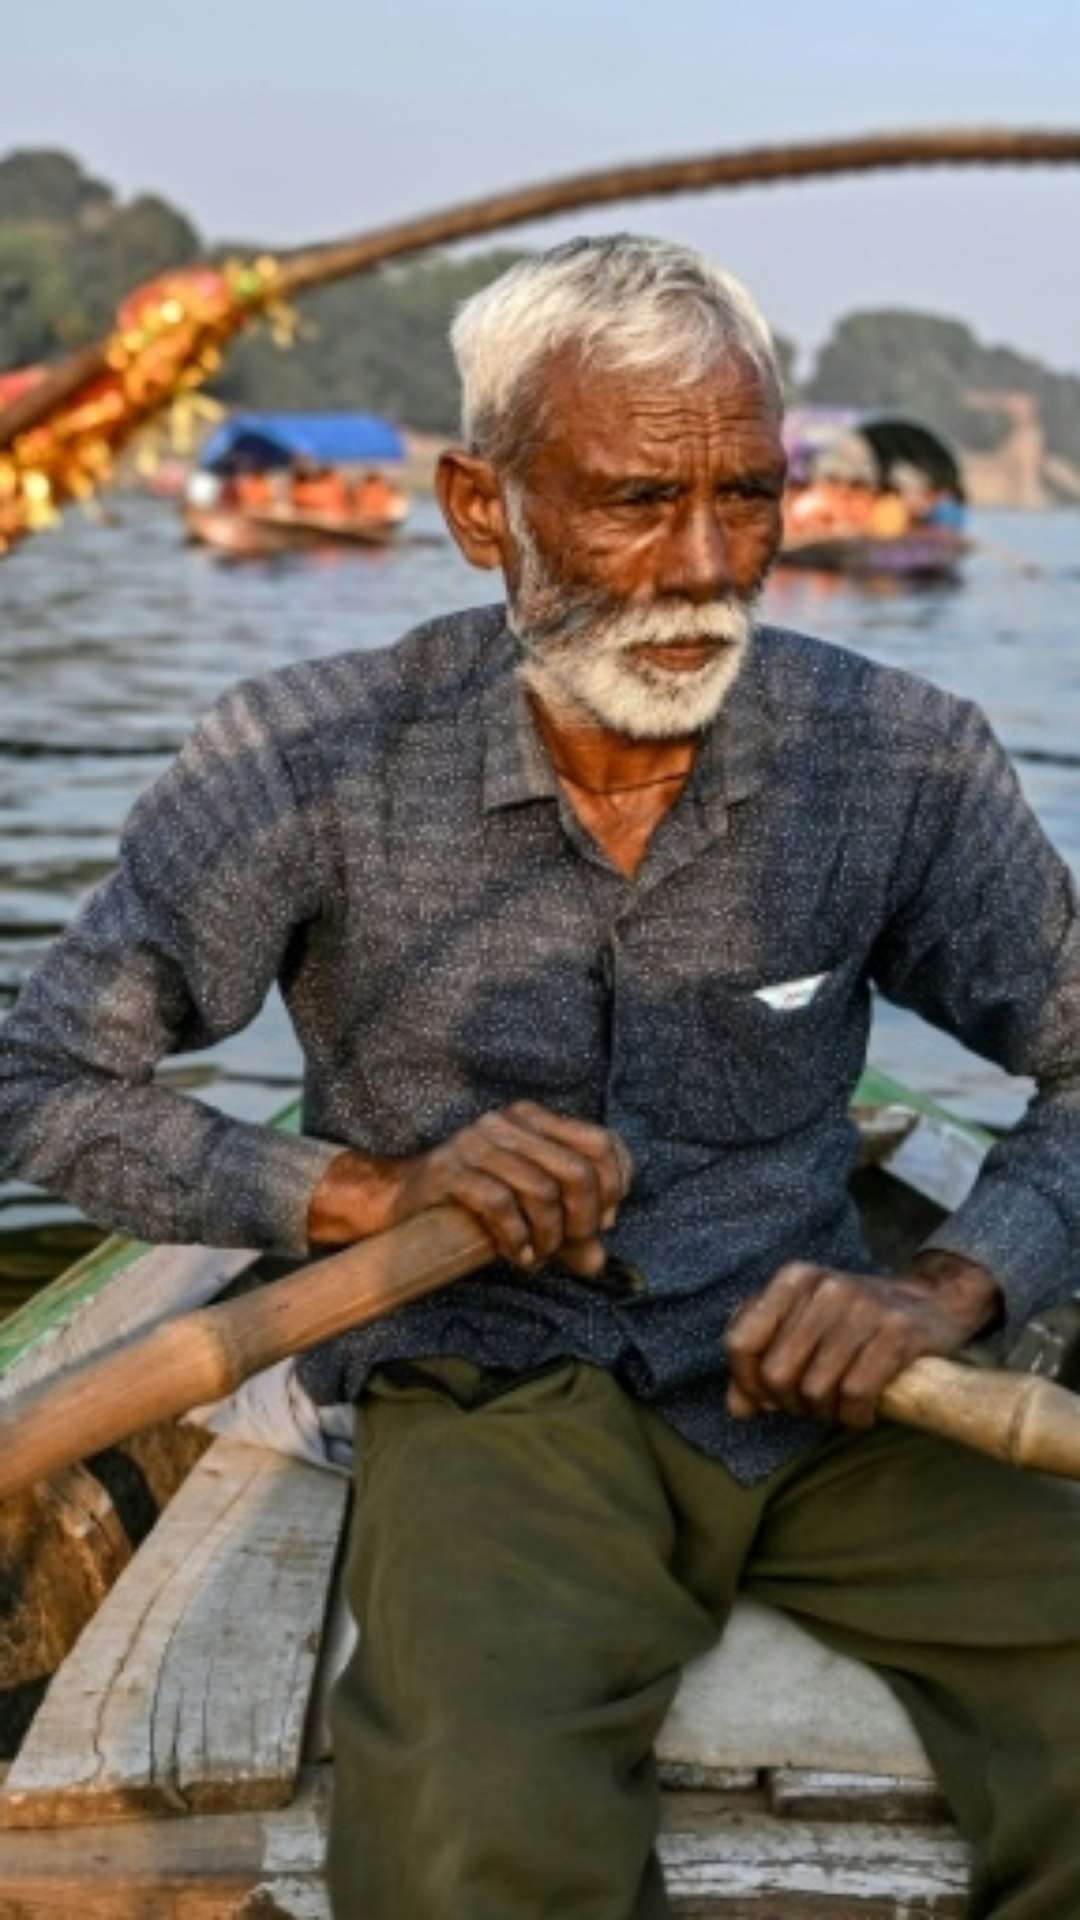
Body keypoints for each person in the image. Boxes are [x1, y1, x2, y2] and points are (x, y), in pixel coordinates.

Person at [3, 235, 1080, 1919]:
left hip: (827, 1376)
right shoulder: (306, 754)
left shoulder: (902, 758)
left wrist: (946, 1287)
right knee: (475, 1832)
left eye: (748, 497)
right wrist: (368, 1191)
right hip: (487, 1388)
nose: (707, 568)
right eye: (638, 503)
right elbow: (46, 1076)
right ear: (479, 506)